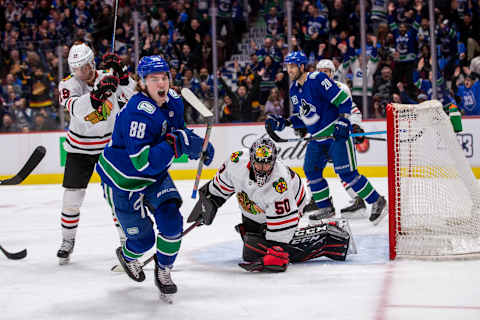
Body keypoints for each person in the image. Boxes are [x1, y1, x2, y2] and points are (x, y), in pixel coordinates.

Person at [96, 55, 215, 299]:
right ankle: (128, 255)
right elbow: (142, 162)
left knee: (172, 223)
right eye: (154, 79)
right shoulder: (136, 112)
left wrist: (198, 145)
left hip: (156, 177)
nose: (161, 84)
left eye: (164, 78)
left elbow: (178, 133)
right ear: (142, 82)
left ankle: (164, 270)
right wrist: (177, 144)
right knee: (143, 242)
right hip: (124, 180)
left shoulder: (173, 100)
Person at [187, 137, 350, 272]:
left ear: (274, 161)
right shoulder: (236, 161)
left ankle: (329, 237)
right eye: (258, 163)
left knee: (264, 250)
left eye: (267, 163)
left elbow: (282, 227)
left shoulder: (279, 184)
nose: (262, 168)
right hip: (254, 207)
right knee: (252, 249)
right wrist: (209, 202)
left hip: (293, 202)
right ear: (251, 159)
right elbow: (220, 186)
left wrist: (277, 252)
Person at [265, 51, 387, 225]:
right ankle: (325, 207)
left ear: (301, 66)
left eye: (292, 66)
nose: (289, 70)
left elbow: (343, 100)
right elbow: (306, 118)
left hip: (335, 134)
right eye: (287, 67)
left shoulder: (317, 79)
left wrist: (345, 120)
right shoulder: (294, 90)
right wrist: (285, 122)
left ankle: (377, 201)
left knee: (347, 173)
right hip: (317, 137)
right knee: (311, 170)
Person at [57, 42, 136, 265]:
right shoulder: (67, 84)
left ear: (92, 63)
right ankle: (67, 241)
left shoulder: (107, 78)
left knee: (117, 198)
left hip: (107, 148)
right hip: (78, 150)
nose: (80, 72)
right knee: (71, 200)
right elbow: (75, 109)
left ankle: (126, 241)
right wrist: (97, 95)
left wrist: (122, 75)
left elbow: (132, 98)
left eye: (83, 67)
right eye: (76, 68)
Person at [315, 59, 367, 217]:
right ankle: (318, 200)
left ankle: (360, 200)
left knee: (345, 170)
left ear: (332, 73)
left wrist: (356, 127)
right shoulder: (313, 91)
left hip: (340, 137)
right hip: (325, 138)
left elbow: (352, 110)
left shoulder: (340, 88)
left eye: (327, 71)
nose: (324, 74)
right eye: (321, 71)